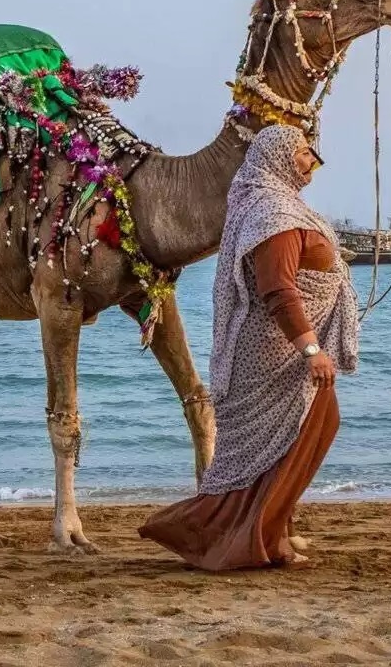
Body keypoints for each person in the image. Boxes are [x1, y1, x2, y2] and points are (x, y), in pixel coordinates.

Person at [138, 124, 359, 570]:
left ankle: (269, 530)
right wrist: (312, 350)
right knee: (287, 439)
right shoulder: (271, 213)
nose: (312, 161)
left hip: (283, 352)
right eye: (303, 153)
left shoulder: (282, 205)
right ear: (278, 157)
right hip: (272, 353)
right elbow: (277, 289)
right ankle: (252, 537)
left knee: (301, 434)